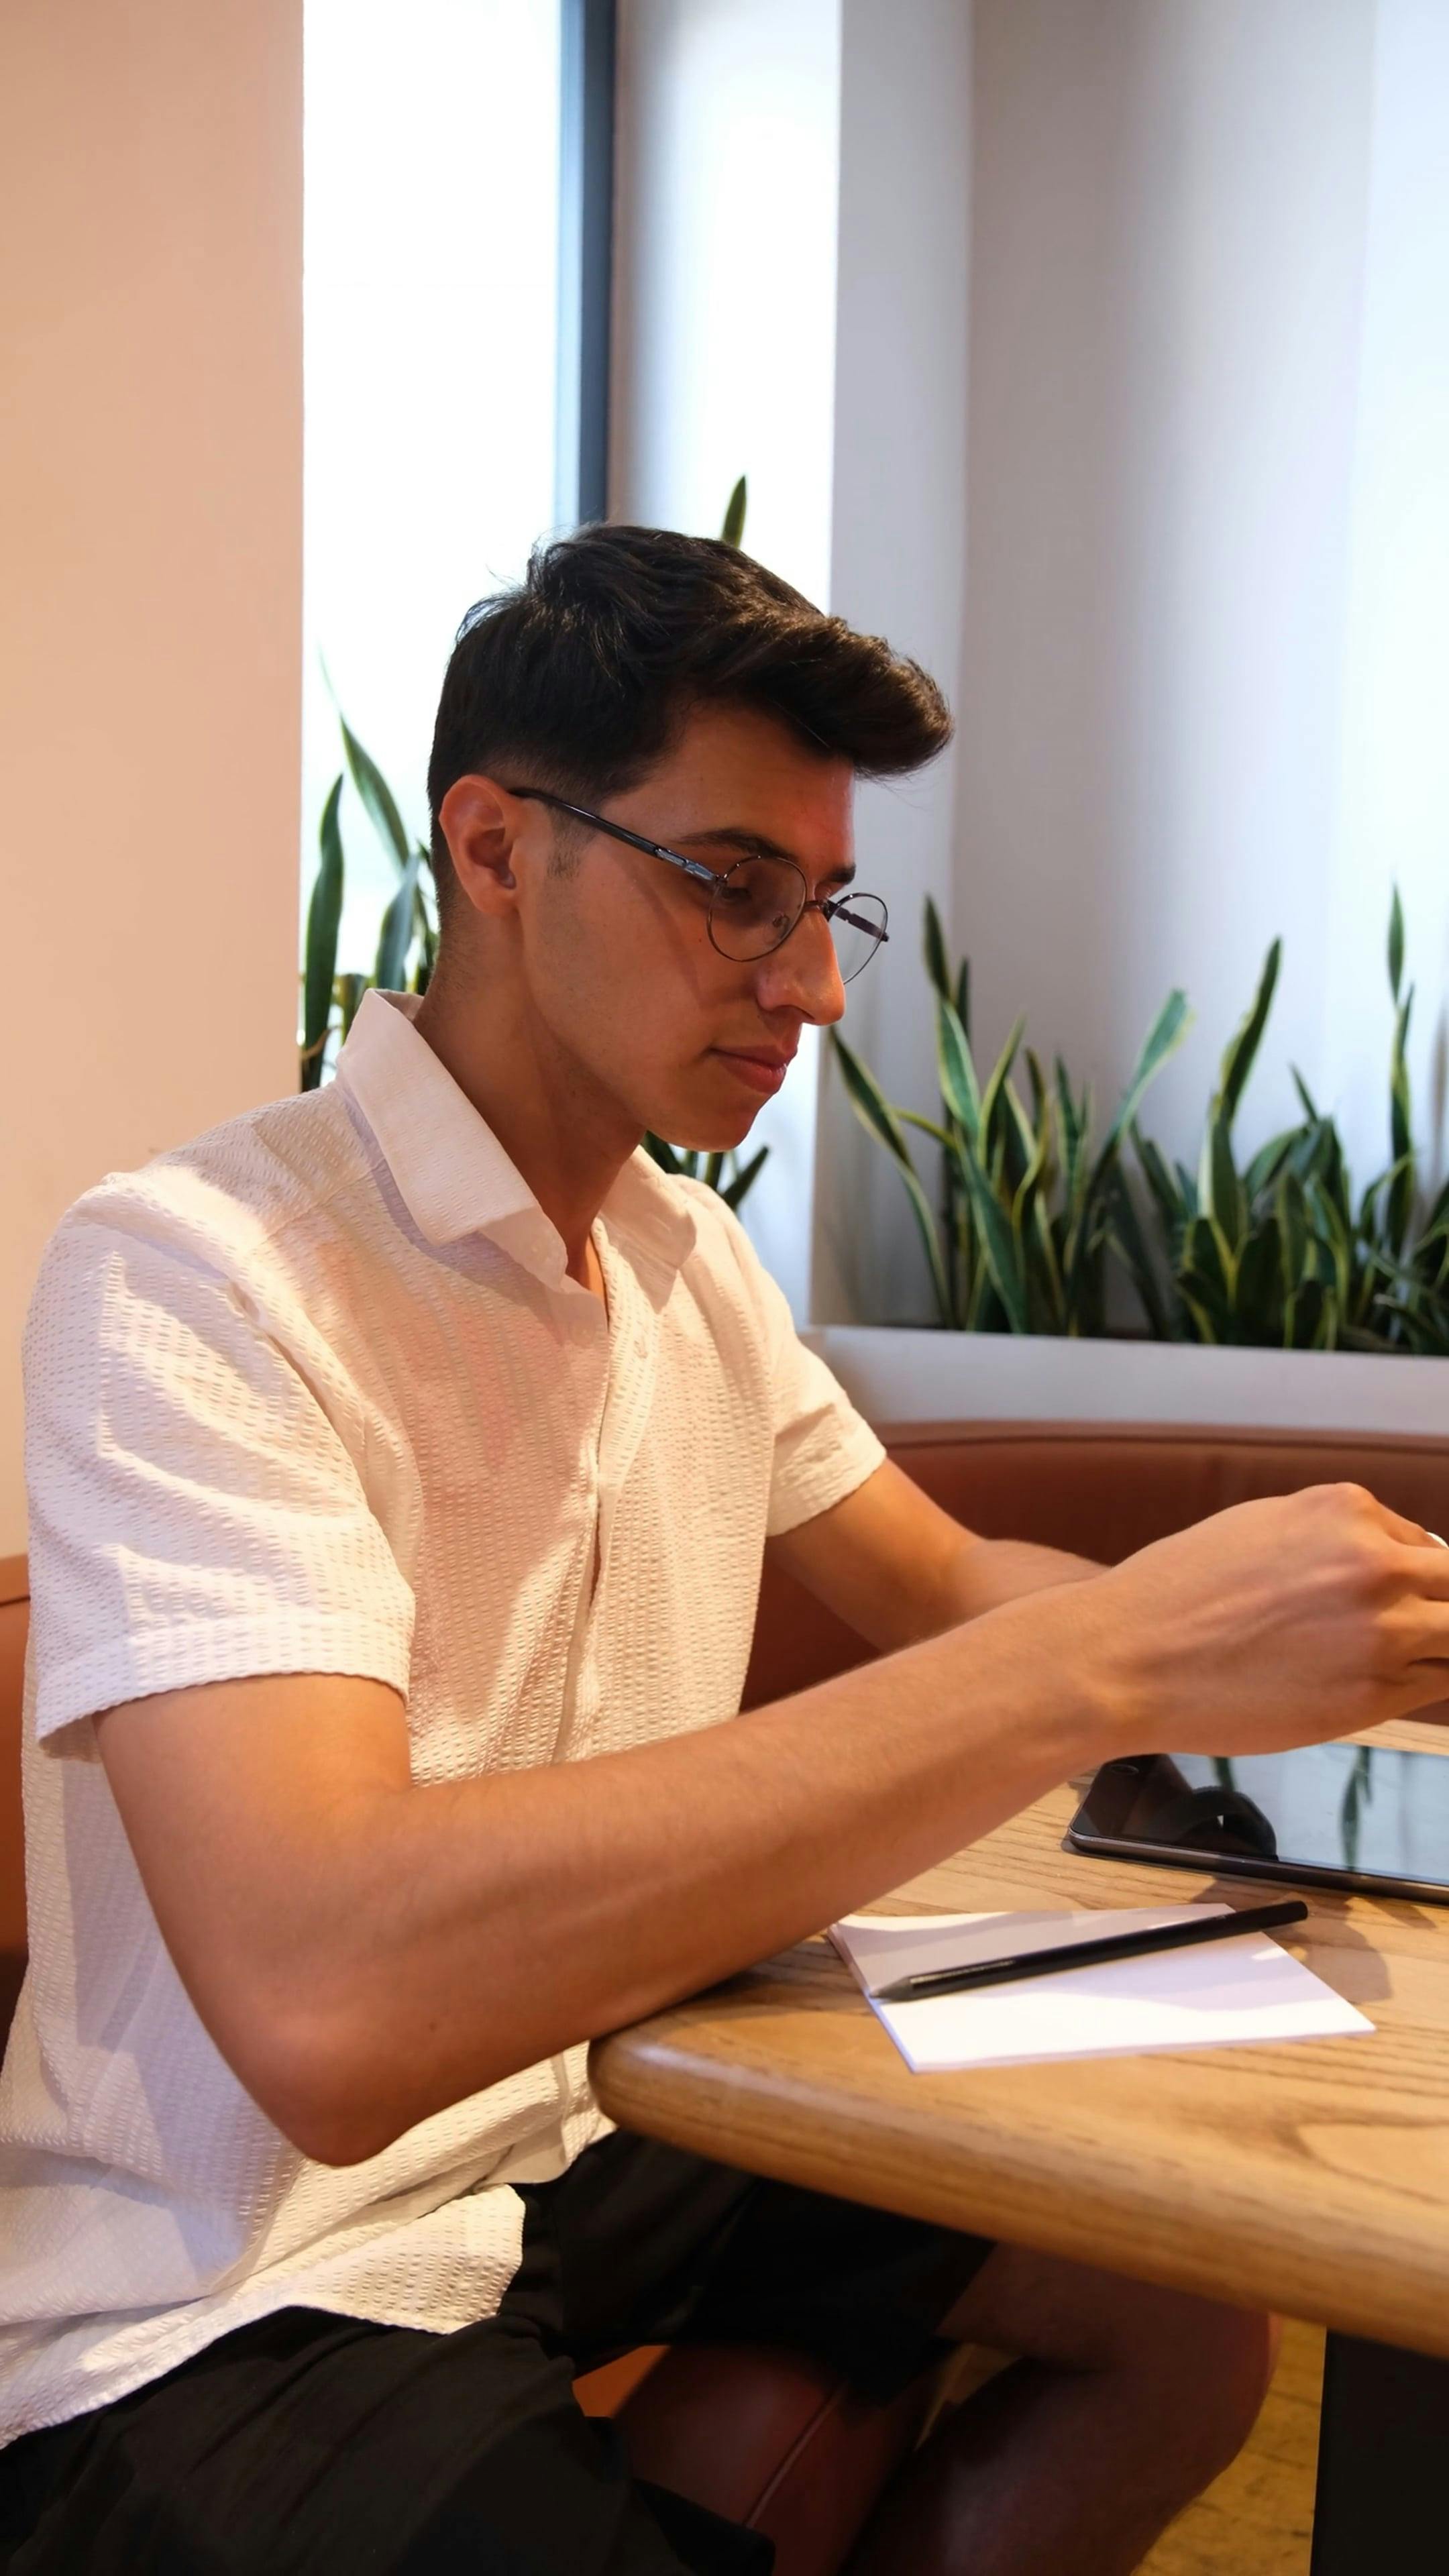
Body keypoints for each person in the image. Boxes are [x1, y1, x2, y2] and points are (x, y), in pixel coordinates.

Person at [2, 527, 1446, 2576]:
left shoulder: (684, 1258)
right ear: (495, 850)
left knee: (1178, 2320)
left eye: (825, 904)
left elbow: (953, 1590)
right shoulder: (195, 1276)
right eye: (733, 887)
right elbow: (327, 2002)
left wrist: (1329, 1632)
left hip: (592, 2119)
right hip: (240, 2278)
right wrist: (1112, 1661)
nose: (816, 986)